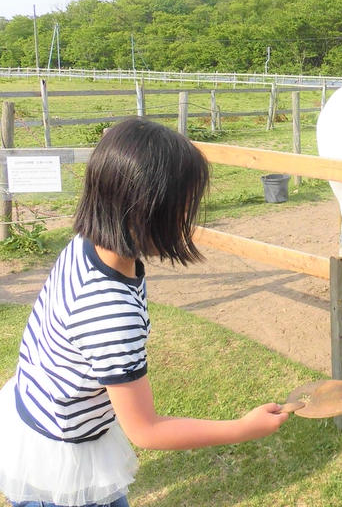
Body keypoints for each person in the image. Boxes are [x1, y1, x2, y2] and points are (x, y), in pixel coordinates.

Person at [0, 118, 289, 507]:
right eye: (184, 206)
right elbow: (147, 429)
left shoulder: (90, 243)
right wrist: (242, 428)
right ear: (144, 210)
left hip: (39, 408)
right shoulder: (110, 310)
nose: (190, 217)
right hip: (64, 452)